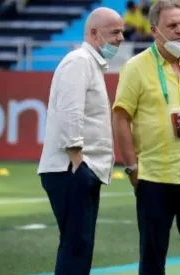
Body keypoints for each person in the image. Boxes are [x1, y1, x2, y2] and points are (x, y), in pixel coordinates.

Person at [112, 0, 180, 274]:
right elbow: (120, 118)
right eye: (171, 26)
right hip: (155, 178)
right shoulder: (135, 67)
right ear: (154, 30)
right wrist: (132, 167)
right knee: (152, 261)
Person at [37, 7, 124, 275]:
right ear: (94, 34)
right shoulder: (79, 61)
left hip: (77, 169)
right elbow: (70, 111)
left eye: (122, 31)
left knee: (79, 245)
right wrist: (78, 158)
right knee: (77, 246)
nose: (121, 38)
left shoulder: (89, 63)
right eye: (115, 32)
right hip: (71, 168)